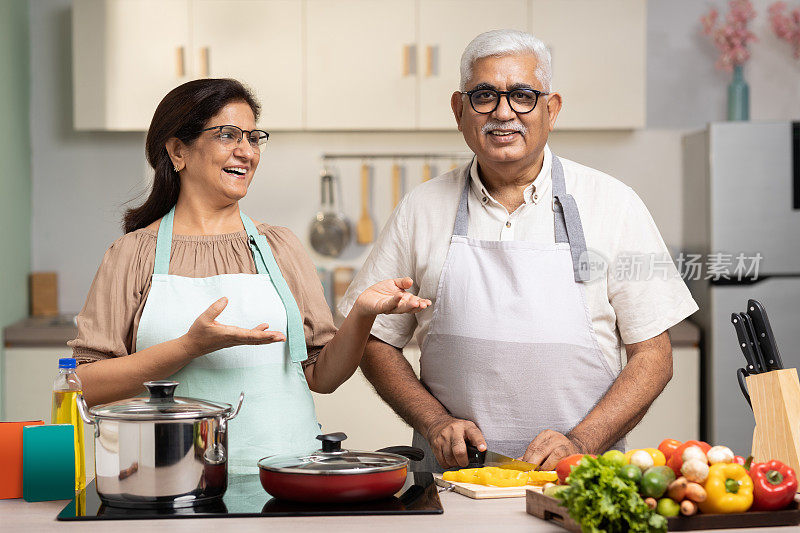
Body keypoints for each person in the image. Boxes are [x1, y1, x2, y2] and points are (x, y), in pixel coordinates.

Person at [339, 29, 698, 472]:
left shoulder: (614, 203)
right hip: (453, 483)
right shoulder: (421, 207)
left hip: (578, 482)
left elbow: (655, 356)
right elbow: (375, 339)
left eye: (523, 95)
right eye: (484, 95)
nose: (503, 112)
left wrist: (582, 441)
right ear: (459, 109)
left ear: (552, 109)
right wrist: (433, 422)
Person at [69, 78, 430, 473]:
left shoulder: (281, 247)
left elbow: (322, 376)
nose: (246, 152)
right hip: (168, 483)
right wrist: (189, 347)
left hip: (285, 478)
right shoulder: (132, 254)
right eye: (227, 135)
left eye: (253, 137)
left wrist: (362, 312)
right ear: (177, 151)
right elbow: (85, 387)